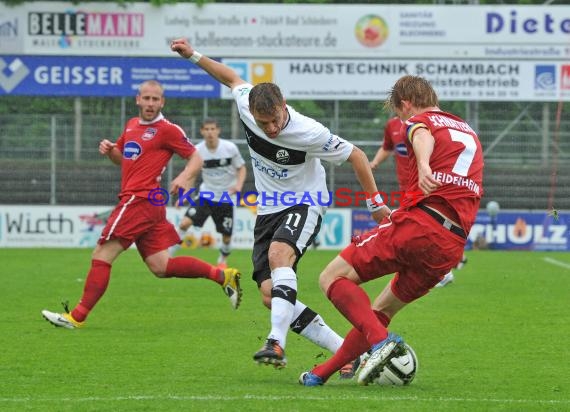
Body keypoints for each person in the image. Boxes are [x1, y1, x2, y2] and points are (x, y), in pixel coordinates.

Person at [171, 38, 389, 369]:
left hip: (306, 202)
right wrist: (193, 56)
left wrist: (374, 204)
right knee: (269, 294)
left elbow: (357, 155)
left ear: (283, 104)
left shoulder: (309, 132)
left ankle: (275, 343)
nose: (271, 129)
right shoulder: (246, 102)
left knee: (278, 255)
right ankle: (346, 352)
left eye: (275, 120)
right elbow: (231, 77)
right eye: (263, 124)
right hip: (269, 208)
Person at [299, 74, 484, 386]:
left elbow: (421, 132)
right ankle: (321, 374)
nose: (400, 119)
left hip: (420, 225)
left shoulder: (419, 120)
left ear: (407, 103)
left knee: (331, 278)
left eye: (398, 112)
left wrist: (424, 166)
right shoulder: (468, 131)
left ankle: (381, 342)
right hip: (450, 246)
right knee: (378, 311)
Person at [41, 80, 243, 330]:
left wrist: (184, 177)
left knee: (102, 254)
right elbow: (122, 159)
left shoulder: (167, 129)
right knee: (161, 266)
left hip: (139, 199)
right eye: (146, 98)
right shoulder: (132, 125)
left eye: (155, 99)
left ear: (162, 102)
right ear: (138, 99)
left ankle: (77, 317)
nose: (150, 103)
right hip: (147, 204)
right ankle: (223, 275)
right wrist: (111, 150)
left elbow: (196, 157)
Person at [370, 115, 467, 288]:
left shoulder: (426, 124)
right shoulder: (392, 125)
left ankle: (442, 271)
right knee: (418, 230)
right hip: (406, 187)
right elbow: (387, 147)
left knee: (423, 229)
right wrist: (375, 162)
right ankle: (442, 269)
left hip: (426, 184)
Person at [169, 118, 246, 270]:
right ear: (202, 131)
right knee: (184, 223)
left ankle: (222, 259)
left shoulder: (230, 148)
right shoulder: (197, 151)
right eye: (207, 129)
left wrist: (238, 185)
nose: (210, 132)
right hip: (206, 195)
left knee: (226, 236)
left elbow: (241, 168)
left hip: (226, 198)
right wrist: (184, 196)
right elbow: (191, 175)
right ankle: (168, 255)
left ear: (218, 130)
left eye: (213, 129)